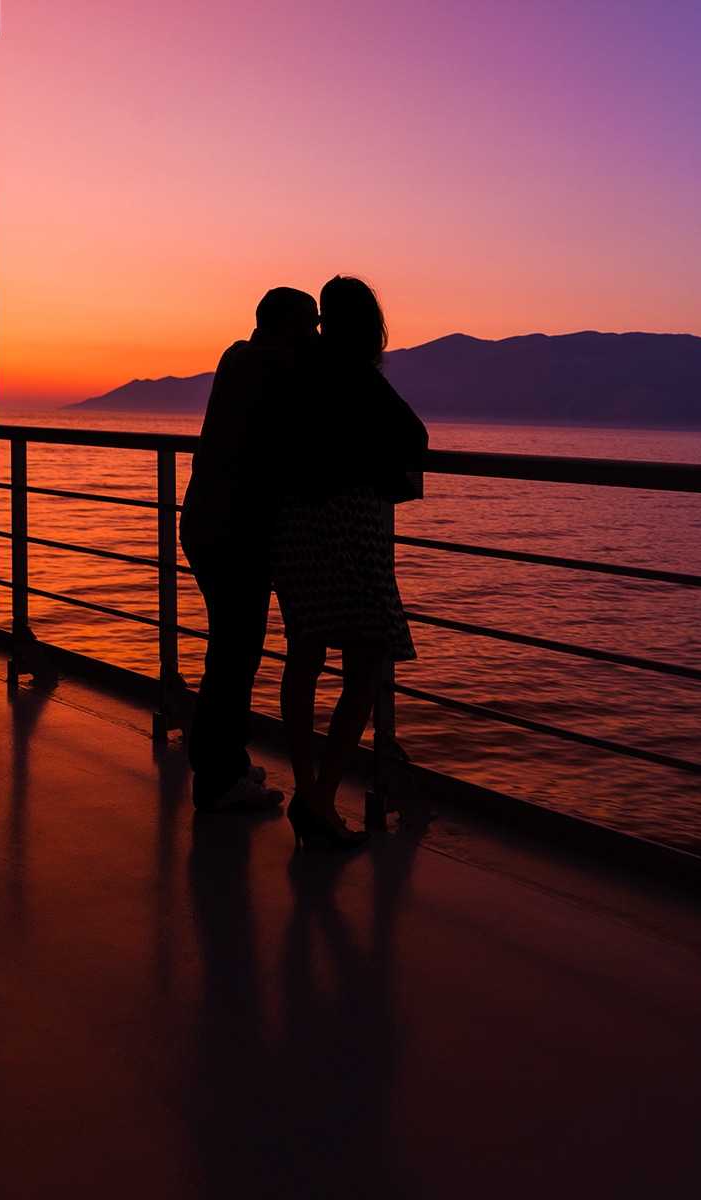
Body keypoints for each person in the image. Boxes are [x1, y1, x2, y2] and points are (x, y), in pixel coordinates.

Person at [273, 276, 428, 851]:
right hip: (347, 528)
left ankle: (308, 786)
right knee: (366, 663)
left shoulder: (300, 371)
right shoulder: (360, 378)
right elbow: (414, 436)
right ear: (371, 327)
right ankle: (320, 798)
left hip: (293, 528)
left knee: (305, 656)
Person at [181, 287, 318, 811]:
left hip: (206, 525)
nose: (316, 333)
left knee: (231, 650)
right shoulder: (279, 365)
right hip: (236, 535)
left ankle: (227, 763)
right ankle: (217, 779)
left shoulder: (236, 355)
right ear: (285, 322)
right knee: (235, 655)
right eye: (311, 322)